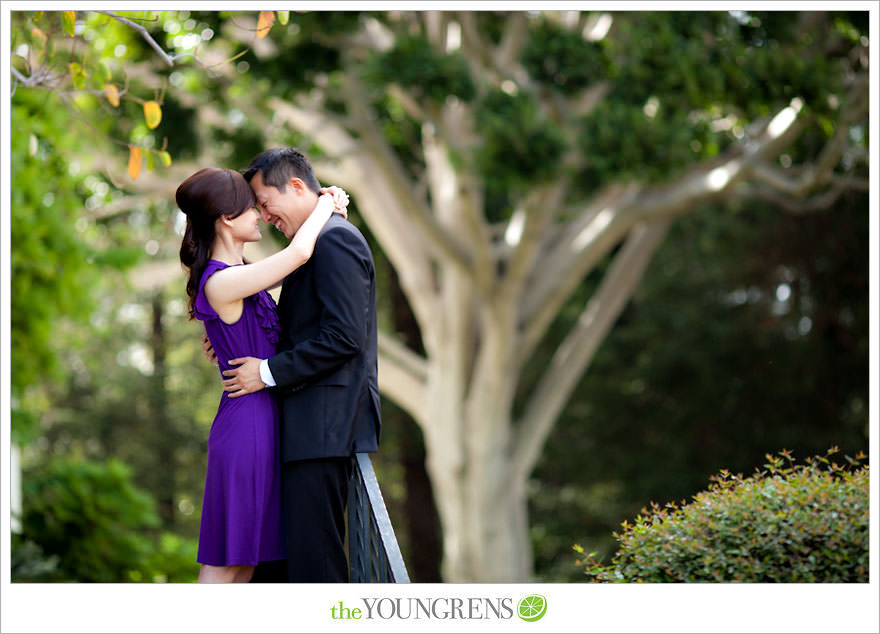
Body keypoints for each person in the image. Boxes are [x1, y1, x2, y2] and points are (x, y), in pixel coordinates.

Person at [176, 166, 349, 583]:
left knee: (246, 563)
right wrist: (327, 202)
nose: (260, 216)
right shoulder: (222, 280)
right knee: (228, 563)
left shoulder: (237, 278)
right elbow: (298, 254)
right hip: (246, 426)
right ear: (226, 219)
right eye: (251, 209)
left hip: (262, 422)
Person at [220, 147, 382, 583]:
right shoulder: (315, 242)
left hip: (323, 430)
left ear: (295, 186)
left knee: (316, 566)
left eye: (265, 204)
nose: (266, 216)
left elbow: (344, 336)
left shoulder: (337, 240)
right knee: (286, 566)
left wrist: (266, 371)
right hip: (303, 430)